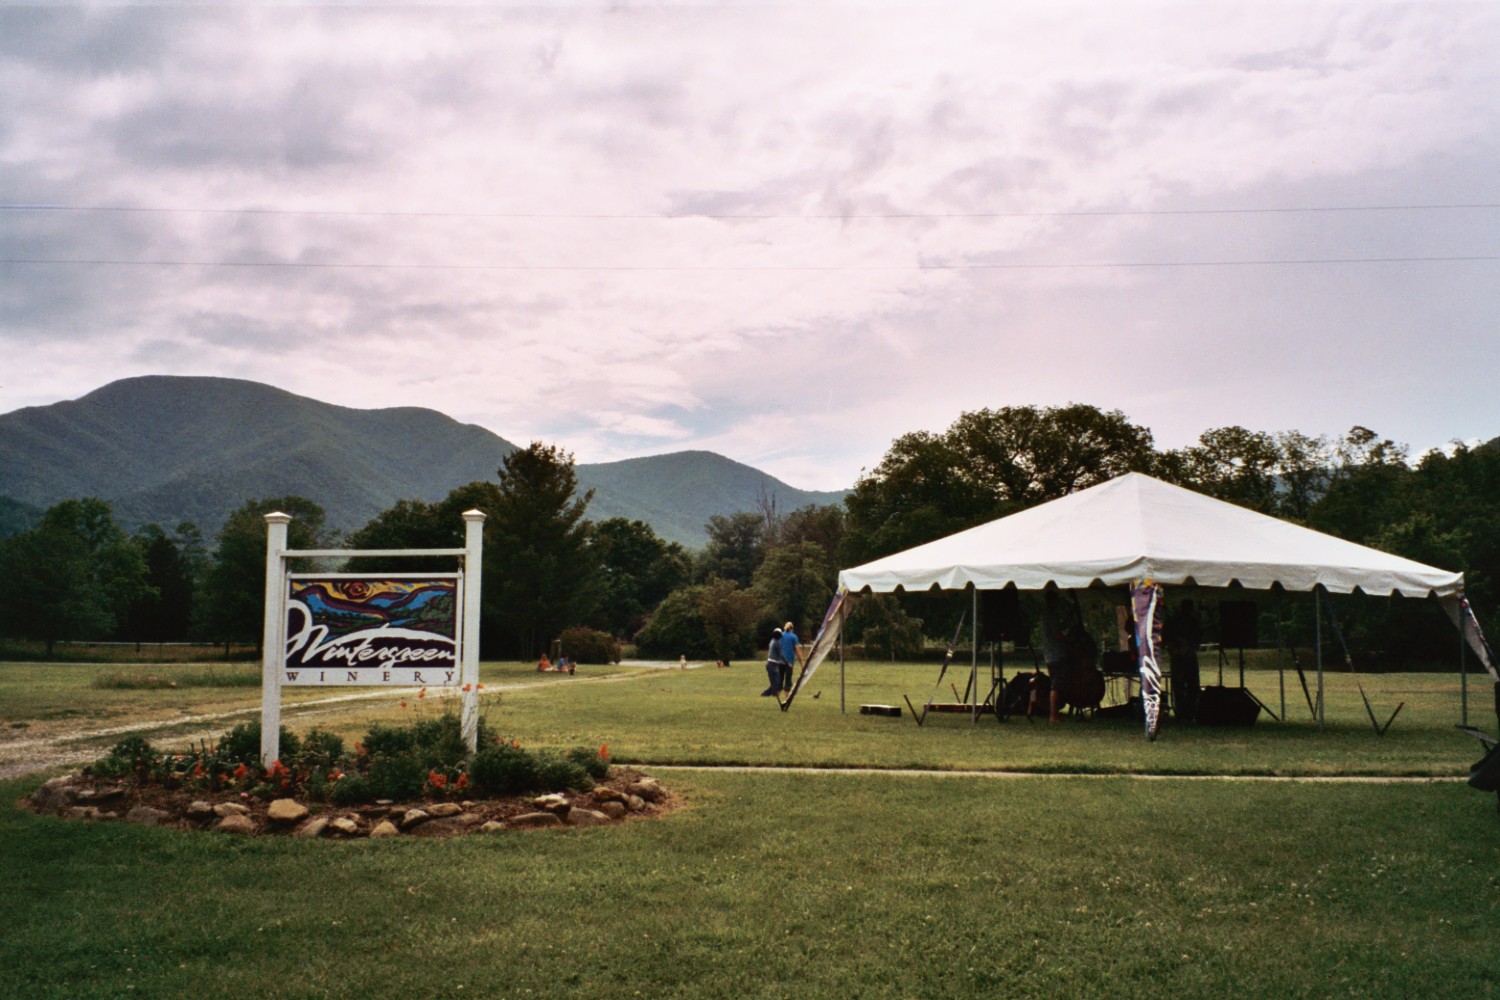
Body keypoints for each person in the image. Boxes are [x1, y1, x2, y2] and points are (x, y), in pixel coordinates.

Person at [1042, 589, 1074, 723]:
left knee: (1057, 683)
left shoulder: (1047, 615)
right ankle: (1053, 715)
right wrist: (1070, 640)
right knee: (1056, 684)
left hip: (1050, 655)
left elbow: (1058, 628)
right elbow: (1058, 635)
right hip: (1056, 655)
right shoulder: (1051, 615)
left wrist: (1068, 619)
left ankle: (1054, 714)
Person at [778, 621, 800, 698]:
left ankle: (777, 696)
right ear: (792, 628)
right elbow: (797, 651)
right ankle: (786, 698)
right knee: (787, 681)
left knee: (780, 680)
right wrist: (802, 664)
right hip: (789, 663)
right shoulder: (794, 637)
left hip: (780, 662)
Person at [761, 628, 785, 697]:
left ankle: (766, 694)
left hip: (770, 664)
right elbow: (781, 654)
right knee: (776, 682)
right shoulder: (777, 643)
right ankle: (773, 694)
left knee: (775, 682)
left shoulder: (772, 641)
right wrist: (787, 662)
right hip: (772, 664)